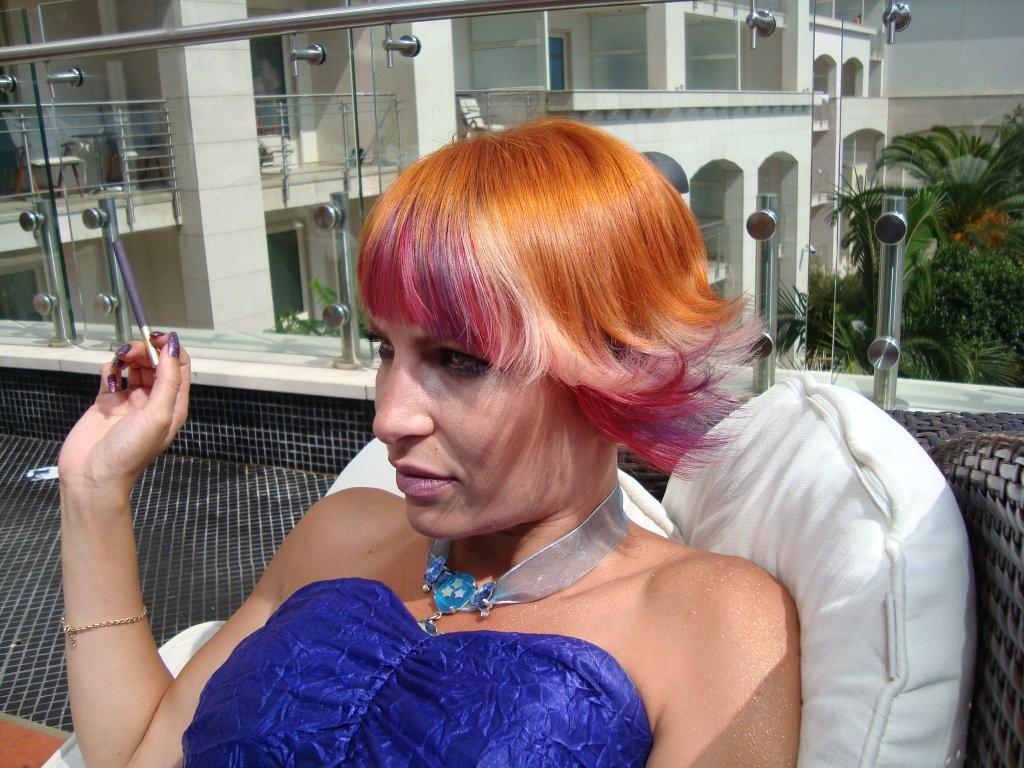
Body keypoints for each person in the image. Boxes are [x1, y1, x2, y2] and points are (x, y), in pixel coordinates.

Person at [57, 118, 800, 767]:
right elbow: (139, 753)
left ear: (617, 366)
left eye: (459, 359)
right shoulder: (340, 533)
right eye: (387, 349)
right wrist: (92, 491)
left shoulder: (712, 620)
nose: (389, 418)